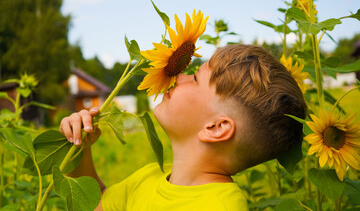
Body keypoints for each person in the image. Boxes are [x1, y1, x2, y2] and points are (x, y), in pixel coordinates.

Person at [60, 44, 307, 211]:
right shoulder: (149, 176)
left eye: (196, 78)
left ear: (216, 127)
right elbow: (96, 205)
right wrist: (79, 147)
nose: (179, 76)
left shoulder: (221, 206)